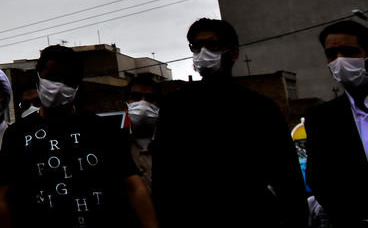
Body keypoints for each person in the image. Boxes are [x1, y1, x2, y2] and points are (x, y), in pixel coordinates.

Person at [154, 18, 307, 228]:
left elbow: (288, 177)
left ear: (233, 54)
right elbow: (165, 177)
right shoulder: (175, 108)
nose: (203, 53)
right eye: (196, 47)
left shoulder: (261, 109)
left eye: (212, 46)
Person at [0, 45, 157, 228]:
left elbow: (133, 187)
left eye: (68, 80)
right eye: (53, 77)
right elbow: (5, 199)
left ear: (77, 85)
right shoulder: (16, 134)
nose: (59, 86)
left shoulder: (101, 129)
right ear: (38, 77)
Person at [303, 19, 368, 227]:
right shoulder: (321, 118)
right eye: (332, 55)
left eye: (349, 52)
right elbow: (320, 179)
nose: (340, 61)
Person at [124, 74, 161, 195]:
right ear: (126, 106)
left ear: (159, 106)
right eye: (136, 97)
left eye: (150, 98)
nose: (143, 104)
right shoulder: (115, 144)